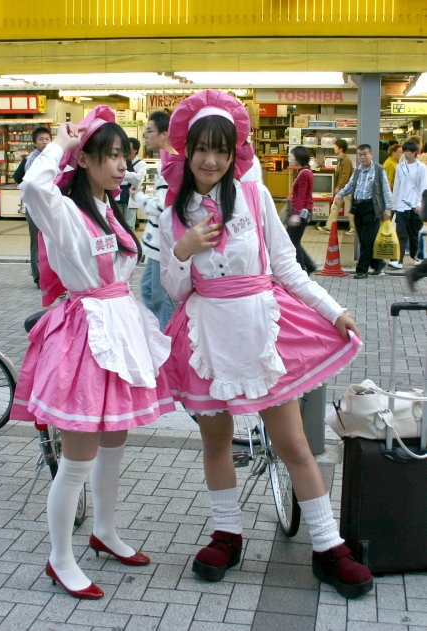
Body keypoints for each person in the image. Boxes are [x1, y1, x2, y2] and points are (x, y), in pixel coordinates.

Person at [159, 90, 372, 599]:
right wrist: (184, 250)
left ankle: (328, 546)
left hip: (260, 328)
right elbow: (174, 289)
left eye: (222, 150)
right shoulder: (174, 213)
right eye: (202, 149)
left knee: (294, 443)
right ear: (187, 151)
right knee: (215, 443)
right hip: (207, 332)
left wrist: (332, 310)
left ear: (235, 155)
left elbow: (286, 268)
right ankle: (227, 533)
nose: (211, 160)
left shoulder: (253, 198)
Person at [10, 106, 175, 600]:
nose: (122, 165)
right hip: (84, 338)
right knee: (78, 457)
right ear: (84, 160)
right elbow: (34, 187)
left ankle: (105, 532)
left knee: (114, 444)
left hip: (120, 332)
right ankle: (61, 558)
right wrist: (60, 143)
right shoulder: (62, 209)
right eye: (110, 156)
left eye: (125, 154)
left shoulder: (108, 208)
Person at [131, 111, 179, 331]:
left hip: (161, 245)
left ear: (164, 134)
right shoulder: (170, 161)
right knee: (151, 292)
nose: (145, 136)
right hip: (156, 245)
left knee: (158, 297)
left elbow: (162, 207)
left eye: (149, 131)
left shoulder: (167, 164)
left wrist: (139, 197)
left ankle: (166, 341)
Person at [334, 144, 392, 279]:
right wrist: (340, 194)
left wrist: (388, 208)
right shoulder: (358, 170)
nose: (362, 157)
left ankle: (362, 270)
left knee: (366, 241)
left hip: (371, 208)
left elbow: (386, 190)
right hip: (357, 208)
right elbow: (350, 186)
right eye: (360, 155)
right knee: (364, 240)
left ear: (371, 154)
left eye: (365, 154)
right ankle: (378, 264)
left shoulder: (378, 170)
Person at [14, 126, 52, 288]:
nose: (44, 142)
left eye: (47, 139)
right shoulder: (33, 159)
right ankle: (39, 277)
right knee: (37, 243)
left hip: (47, 206)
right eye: (41, 140)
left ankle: (48, 275)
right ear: (35, 143)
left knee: (49, 242)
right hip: (35, 207)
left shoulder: (49, 157)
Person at [388, 140, 427, 270]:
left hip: (416, 206)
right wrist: (394, 205)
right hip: (401, 205)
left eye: (408, 151)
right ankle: (397, 260)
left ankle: (416, 256)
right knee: (401, 233)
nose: (405, 154)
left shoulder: (422, 167)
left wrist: (420, 204)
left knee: (414, 233)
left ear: (415, 152)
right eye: (404, 151)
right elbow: (397, 186)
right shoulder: (400, 167)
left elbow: (423, 187)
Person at [286, 145, 317, 274]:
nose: (290, 158)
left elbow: (301, 195)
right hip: (304, 211)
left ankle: (302, 269)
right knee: (294, 240)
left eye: (292, 155)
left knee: (293, 241)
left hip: (301, 211)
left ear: (299, 157)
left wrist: (296, 214)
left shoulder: (304, 174)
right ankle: (309, 265)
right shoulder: (306, 171)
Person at [317, 139, 354, 235]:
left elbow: (345, 176)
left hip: (346, 189)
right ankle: (329, 227)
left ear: (341, 149)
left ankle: (354, 228)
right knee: (335, 207)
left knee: (349, 209)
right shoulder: (341, 159)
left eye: (335, 146)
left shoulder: (346, 161)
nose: (334, 148)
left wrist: (339, 187)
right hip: (343, 189)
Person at [118, 137, 147, 231]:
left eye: (128, 147)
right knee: (117, 226)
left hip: (130, 199)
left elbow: (138, 180)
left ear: (135, 150)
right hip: (117, 198)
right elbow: (114, 176)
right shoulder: (120, 160)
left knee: (129, 227)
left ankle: (130, 246)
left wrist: (123, 173)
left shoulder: (141, 163)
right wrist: (132, 175)